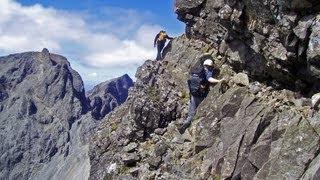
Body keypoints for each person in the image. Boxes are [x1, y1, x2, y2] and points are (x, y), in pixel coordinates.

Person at [178, 57, 225, 134]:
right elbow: (209, 79)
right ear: (210, 65)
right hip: (200, 95)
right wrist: (219, 80)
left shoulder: (197, 70)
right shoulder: (207, 70)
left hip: (193, 93)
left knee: (191, 110)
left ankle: (185, 123)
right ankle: (186, 126)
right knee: (199, 111)